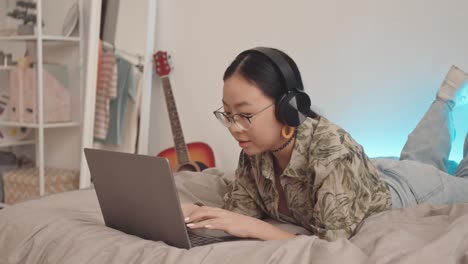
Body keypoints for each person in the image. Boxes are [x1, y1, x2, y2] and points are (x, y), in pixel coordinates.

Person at [182, 47, 468, 241]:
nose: (234, 128)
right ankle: (445, 100)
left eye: (244, 115)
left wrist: (255, 229)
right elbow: (237, 213)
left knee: (451, 174)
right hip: (370, 174)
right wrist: (189, 212)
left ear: (288, 108)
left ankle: (447, 100)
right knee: (416, 156)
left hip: (411, 190)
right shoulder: (255, 150)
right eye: (228, 115)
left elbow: (331, 244)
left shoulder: (333, 151)